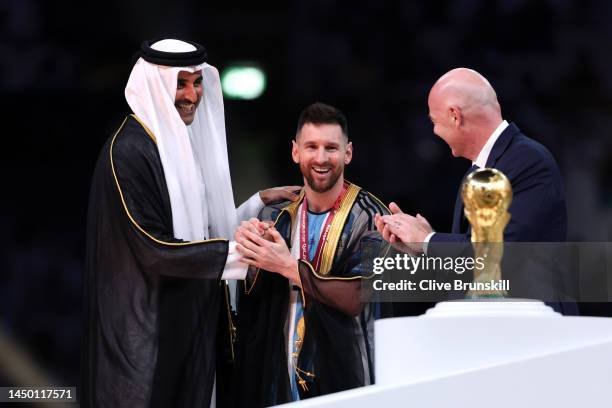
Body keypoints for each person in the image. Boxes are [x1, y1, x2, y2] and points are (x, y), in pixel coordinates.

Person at [81, 38, 297, 408]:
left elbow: (198, 229)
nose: (192, 95)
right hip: (147, 338)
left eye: (197, 82)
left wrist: (254, 206)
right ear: (156, 84)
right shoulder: (130, 150)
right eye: (181, 83)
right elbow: (155, 249)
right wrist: (247, 254)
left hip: (186, 324)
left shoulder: (173, 142)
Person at [375, 67, 576, 312]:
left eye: (434, 122)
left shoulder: (528, 161)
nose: (435, 132)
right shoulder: (480, 169)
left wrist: (428, 240)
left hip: (530, 334)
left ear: (454, 116)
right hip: (490, 328)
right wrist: (423, 248)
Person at [231, 102, 391, 406]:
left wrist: (288, 267)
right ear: (295, 152)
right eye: (311, 147)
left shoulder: (372, 217)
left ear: (348, 152)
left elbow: (358, 297)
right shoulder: (277, 216)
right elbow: (252, 300)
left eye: (331, 147)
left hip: (347, 379)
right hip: (279, 378)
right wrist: (249, 249)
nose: (321, 158)